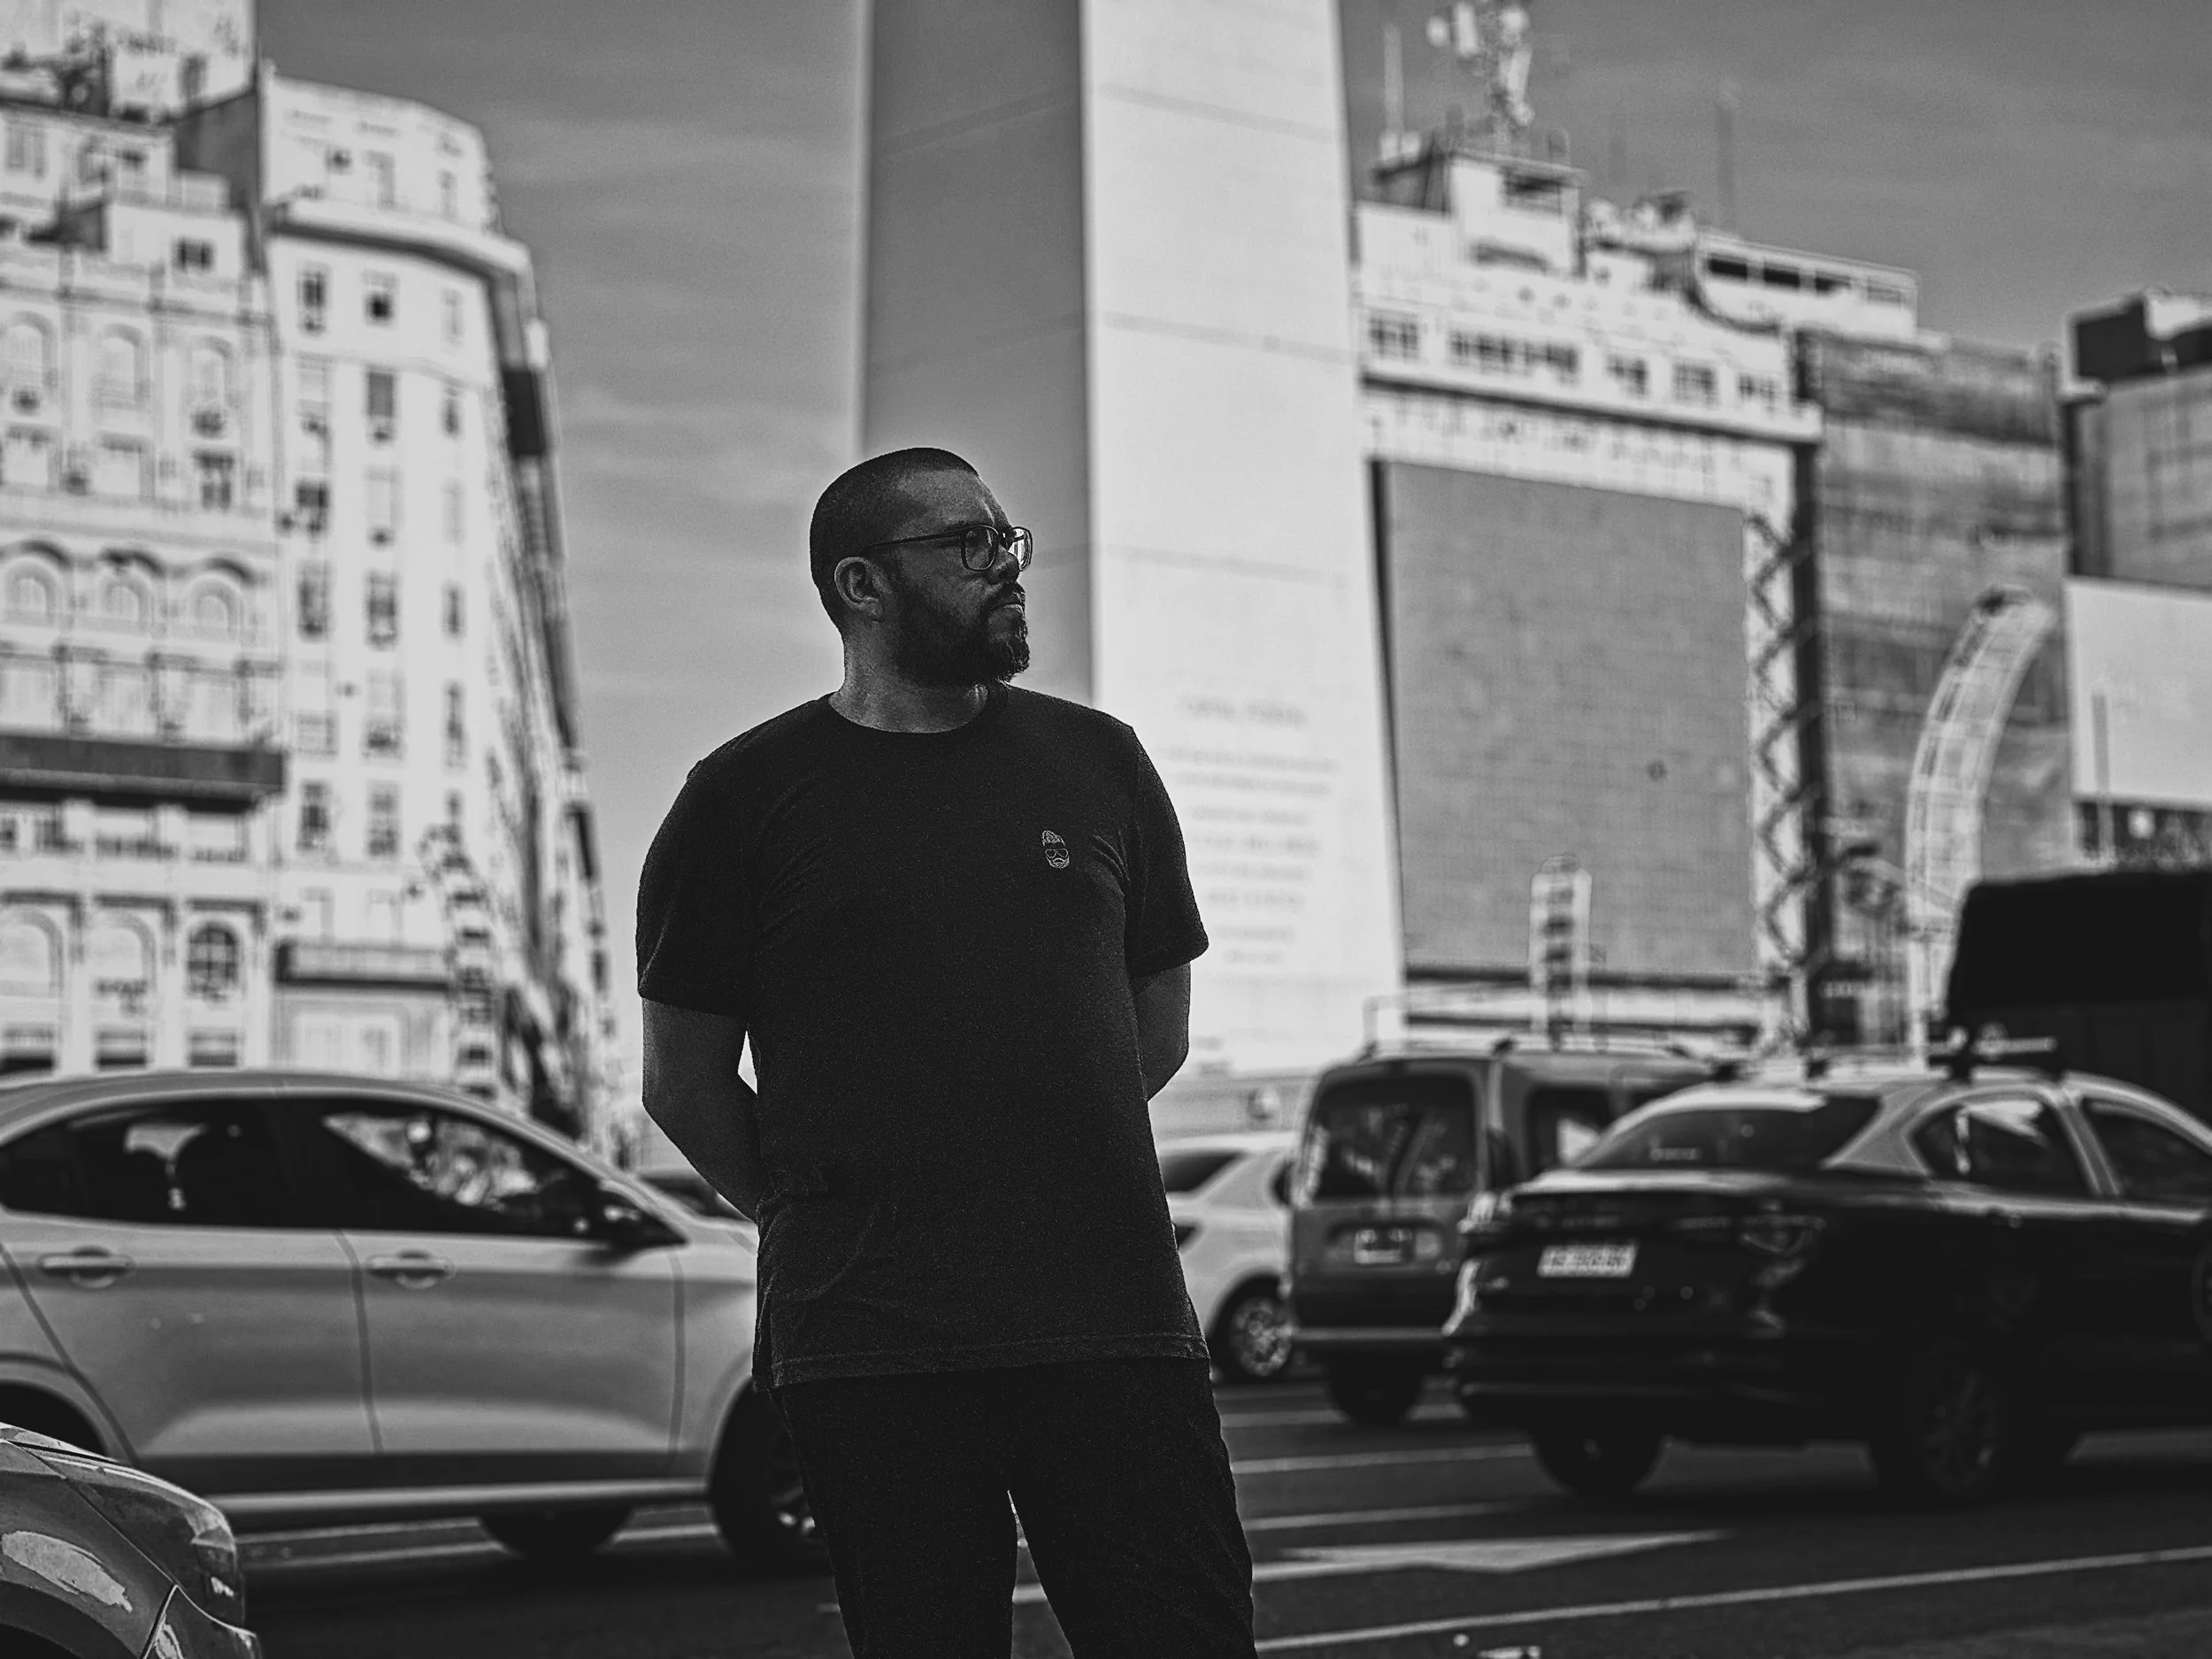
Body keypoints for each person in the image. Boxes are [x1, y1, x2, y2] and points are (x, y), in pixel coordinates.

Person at [636, 448, 1257, 1657]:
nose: (1006, 565)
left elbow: (1156, 1017)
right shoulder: (742, 797)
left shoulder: (1101, 762)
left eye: (1006, 538)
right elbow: (684, 1081)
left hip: (1113, 1321)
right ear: (861, 584)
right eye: (966, 544)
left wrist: (1023, 1153)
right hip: (873, 1344)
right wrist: (829, 1206)